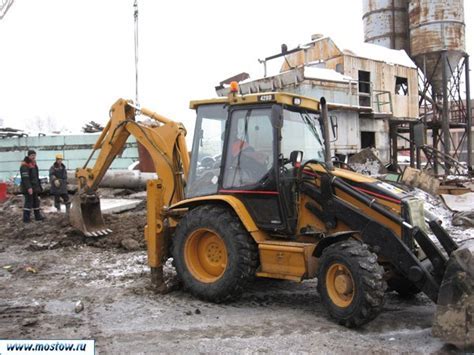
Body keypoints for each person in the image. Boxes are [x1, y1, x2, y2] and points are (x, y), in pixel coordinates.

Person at [20, 149, 44, 222]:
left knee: (36, 202)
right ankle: (26, 218)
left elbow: (36, 177)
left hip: (34, 187)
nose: (33, 157)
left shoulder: (33, 164)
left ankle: (38, 216)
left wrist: (38, 186)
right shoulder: (25, 165)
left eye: (34, 155)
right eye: (32, 155)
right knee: (28, 203)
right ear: (29, 156)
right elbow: (25, 178)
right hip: (29, 188)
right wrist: (29, 187)